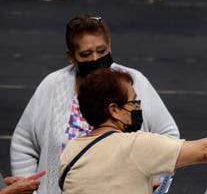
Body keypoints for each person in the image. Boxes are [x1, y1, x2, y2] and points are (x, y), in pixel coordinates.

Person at [11, 14, 180, 194]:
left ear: (110, 47)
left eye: (101, 51)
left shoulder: (134, 81)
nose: (95, 59)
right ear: (71, 56)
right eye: (86, 54)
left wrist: (159, 181)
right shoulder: (52, 85)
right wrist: (27, 190)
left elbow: (168, 135)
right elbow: (24, 143)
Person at [59, 68, 207, 193]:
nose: (138, 108)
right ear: (114, 110)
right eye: (133, 103)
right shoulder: (134, 146)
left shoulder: (71, 149)